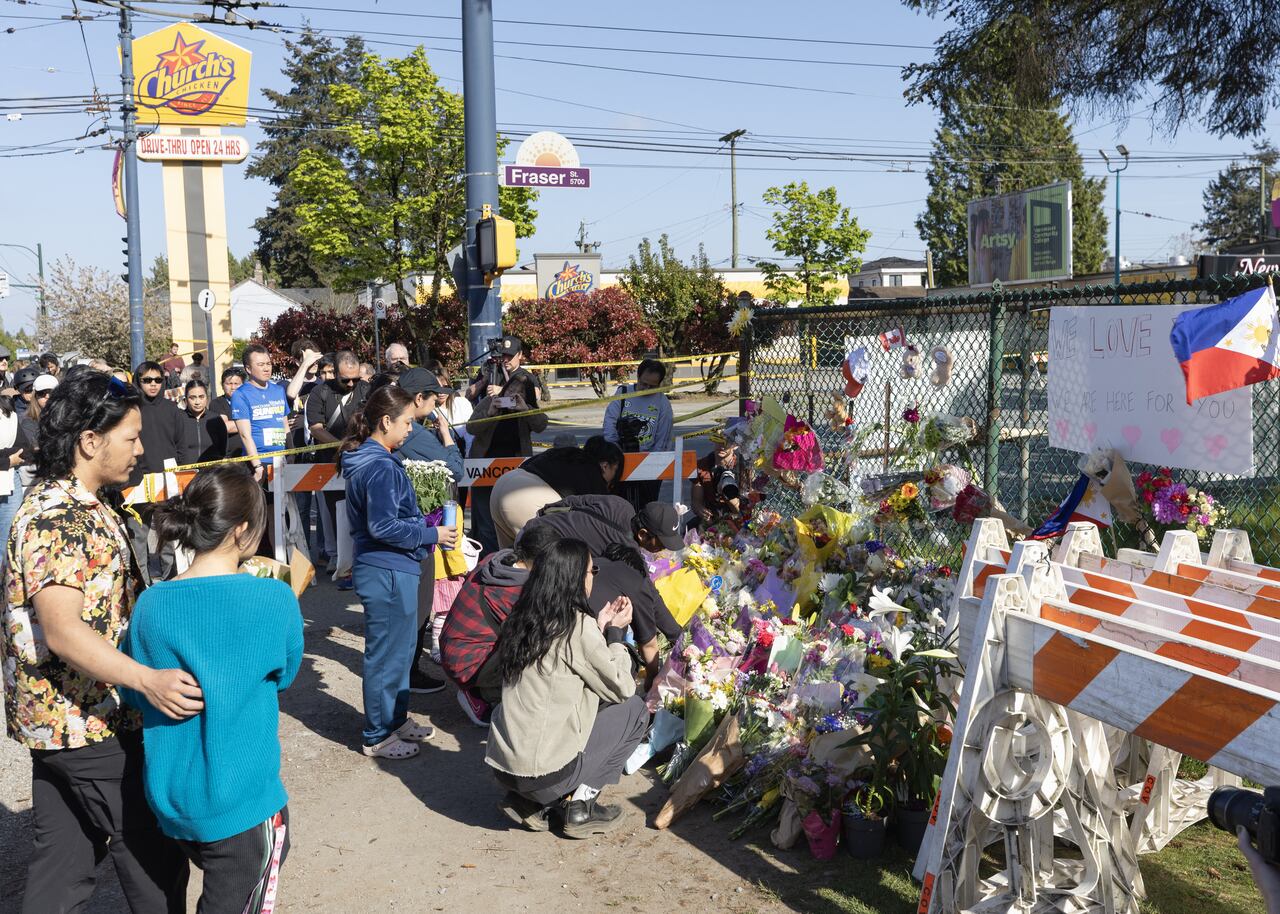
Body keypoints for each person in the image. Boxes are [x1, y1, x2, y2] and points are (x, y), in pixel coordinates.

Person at [3, 370, 195, 913]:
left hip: (65, 722)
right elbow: (64, 631)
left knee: (63, 864)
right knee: (153, 855)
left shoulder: (87, 503)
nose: (141, 448)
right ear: (90, 441)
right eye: (130, 438)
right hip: (88, 721)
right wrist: (147, 680)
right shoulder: (60, 518)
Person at [123, 466, 303, 914]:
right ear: (243, 530)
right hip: (242, 798)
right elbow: (287, 673)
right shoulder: (273, 598)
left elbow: (132, 690)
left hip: (173, 797)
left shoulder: (151, 603)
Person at [485, 538, 648, 837]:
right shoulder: (576, 626)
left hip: (505, 767)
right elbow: (622, 688)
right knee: (634, 710)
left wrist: (598, 629)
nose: (593, 577)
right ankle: (580, 807)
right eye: (591, 571)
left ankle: (530, 803)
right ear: (574, 578)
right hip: (543, 773)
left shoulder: (521, 616)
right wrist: (615, 635)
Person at [340, 386, 459, 759]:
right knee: (387, 655)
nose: (411, 429)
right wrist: (431, 532)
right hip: (387, 569)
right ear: (386, 421)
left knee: (402, 649)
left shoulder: (376, 460)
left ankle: (395, 719)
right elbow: (383, 527)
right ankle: (378, 734)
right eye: (407, 422)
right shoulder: (378, 466)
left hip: (391, 567)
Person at [440, 524, 560, 726]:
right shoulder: (516, 592)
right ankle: (481, 695)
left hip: (454, 649)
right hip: (467, 664)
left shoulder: (496, 560)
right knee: (538, 651)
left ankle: (480, 687)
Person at [388, 367, 462, 693]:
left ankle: (403, 670)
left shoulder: (391, 430)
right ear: (419, 399)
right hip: (419, 529)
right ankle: (408, 674)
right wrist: (447, 437)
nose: (436, 405)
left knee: (406, 606)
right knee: (419, 605)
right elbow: (455, 470)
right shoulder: (416, 435)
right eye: (434, 398)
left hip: (399, 530)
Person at [465, 335, 546, 555]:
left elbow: (541, 424)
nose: (507, 360)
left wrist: (524, 409)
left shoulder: (527, 383)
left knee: (516, 519)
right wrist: (492, 407)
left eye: (511, 356)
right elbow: (472, 427)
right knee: (485, 525)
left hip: (517, 465)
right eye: (504, 356)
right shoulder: (491, 385)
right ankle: (487, 564)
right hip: (485, 466)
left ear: (521, 355)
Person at [490, 437, 624, 549]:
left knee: (509, 558)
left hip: (502, 485)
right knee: (551, 560)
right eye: (615, 470)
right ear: (605, 465)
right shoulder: (594, 475)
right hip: (526, 496)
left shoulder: (567, 455)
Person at [590, 543, 683, 685]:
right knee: (630, 659)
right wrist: (652, 680)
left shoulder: (595, 565)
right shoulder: (632, 578)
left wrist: (678, 636)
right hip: (595, 658)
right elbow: (648, 645)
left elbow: (656, 606)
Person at [130, 361, 184, 582]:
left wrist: (179, 480)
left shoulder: (172, 410)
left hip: (167, 481)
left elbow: (181, 447)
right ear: (138, 381)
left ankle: (170, 580)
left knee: (169, 536)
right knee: (138, 537)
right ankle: (141, 585)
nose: (153, 385)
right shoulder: (130, 409)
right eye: (147, 380)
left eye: (157, 380)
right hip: (135, 481)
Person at [603, 358, 673, 510]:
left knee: (646, 508)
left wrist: (650, 465)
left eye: (651, 386)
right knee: (618, 508)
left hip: (649, 467)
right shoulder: (622, 394)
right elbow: (609, 427)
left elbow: (662, 439)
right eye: (643, 383)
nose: (646, 389)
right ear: (638, 377)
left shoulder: (663, 403)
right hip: (620, 462)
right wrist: (616, 458)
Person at [519, 494, 685, 558]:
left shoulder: (621, 504)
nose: (663, 549)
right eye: (662, 543)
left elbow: (577, 501)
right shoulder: (626, 550)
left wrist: (543, 512)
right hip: (537, 549)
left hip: (533, 526)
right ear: (642, 534)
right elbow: (644, 591)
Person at [0, 383, 32, 551]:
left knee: (8, 544)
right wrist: (6, 460)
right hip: (8, 468)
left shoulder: (8, 413)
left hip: (8, 483)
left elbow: (23, 449)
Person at [691, 434, 742, 528]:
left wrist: (727, 493)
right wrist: (700, 510)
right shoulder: (702, 465)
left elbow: (741, 510)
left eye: (727, 443)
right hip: (712, 517)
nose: (721, 446)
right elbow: (695, 502)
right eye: (718, 440)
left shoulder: (742, 466)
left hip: (737, 518)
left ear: (735, 446)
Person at [176, 378, 228, 465]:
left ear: (207, 398)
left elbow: (223, 449)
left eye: (201, 397)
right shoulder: (177, 419)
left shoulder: (215, 419)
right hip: (184, 474)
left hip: (210, 474)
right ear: (185, 400)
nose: (197, 402)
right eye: (192, 398)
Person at [211, 367, 247, 459]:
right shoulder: (217, 403)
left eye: (236, 384)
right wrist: (253, 422)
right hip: (229, 455)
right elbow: (226, 427)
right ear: (222, 385)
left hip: (250, 452)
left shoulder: (249, 402)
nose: (233, 387)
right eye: (229, 384)